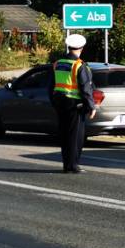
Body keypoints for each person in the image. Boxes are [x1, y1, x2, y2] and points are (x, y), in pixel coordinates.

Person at [51, 33, 97, 173]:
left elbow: (51, 84)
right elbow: (86, 88)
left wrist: (54, 101)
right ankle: (73, 165)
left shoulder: (58, 63)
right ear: (81, 48)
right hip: (74, 105)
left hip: (60, 103)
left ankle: (67, 164)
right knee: (75, 136)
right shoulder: (79, 65)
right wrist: (91, 106)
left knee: (64, 134)